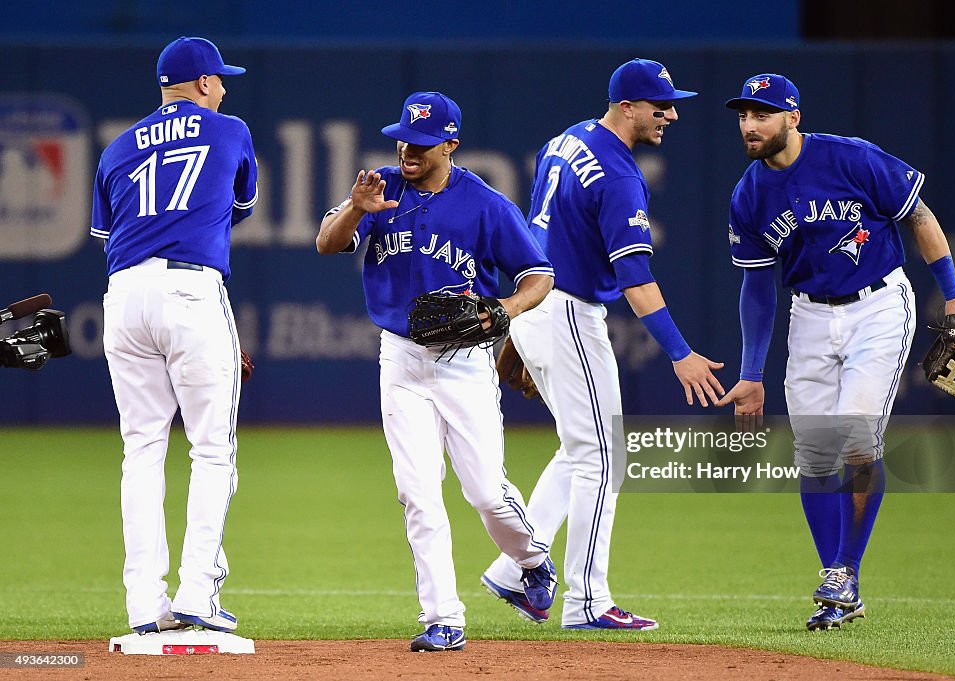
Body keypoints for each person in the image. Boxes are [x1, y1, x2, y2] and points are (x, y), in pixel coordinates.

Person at [716, 73, 955, 630]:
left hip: (878, 304)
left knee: (857, 437)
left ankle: (843, 570)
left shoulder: (852, 159)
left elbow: (919, 217)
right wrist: (751, 372)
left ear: (793, 117)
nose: (750, 124)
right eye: (743, 114)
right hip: (809, 315)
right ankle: (841, 583)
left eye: (761, 113)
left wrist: (953, 294)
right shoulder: (750, 194)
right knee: (813, 455)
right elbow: (758, 287)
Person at [481, 58, 724, 631]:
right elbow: (637, 280)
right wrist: (680, 353)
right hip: (565, 309)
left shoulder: (564, 140)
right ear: (627, 106)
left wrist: (524, 320)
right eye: (659, 104)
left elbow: (537, 233)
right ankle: (586, 601)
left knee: (579, 450)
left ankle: (517, 569)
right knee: (604, 456)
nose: (670, 113)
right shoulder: (619, 175)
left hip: (538, 300)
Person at [316, 91, 558, 653]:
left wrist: (505, 310)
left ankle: (531, 559)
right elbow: (327, 242)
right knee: (418, 493)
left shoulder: (484, 203)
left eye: (422, 143)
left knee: (485, 493)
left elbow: (538, 275)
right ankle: (442, 617)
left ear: (450, 144)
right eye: (403, 138)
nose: (409, 150)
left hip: (463, 362)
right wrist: (356, 209)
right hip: (399, 358)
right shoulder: (378, 186)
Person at [91, 36, 258, 634]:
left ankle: (143, 607)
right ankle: (197, 597)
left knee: (141, 449)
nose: (225, 88)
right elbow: (237, 203)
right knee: (212, 449)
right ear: (206, 83)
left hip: (123, 295)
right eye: (221, 79)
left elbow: (109, 232)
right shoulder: (230, 129)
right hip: (191, 289)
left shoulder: (113, 148)